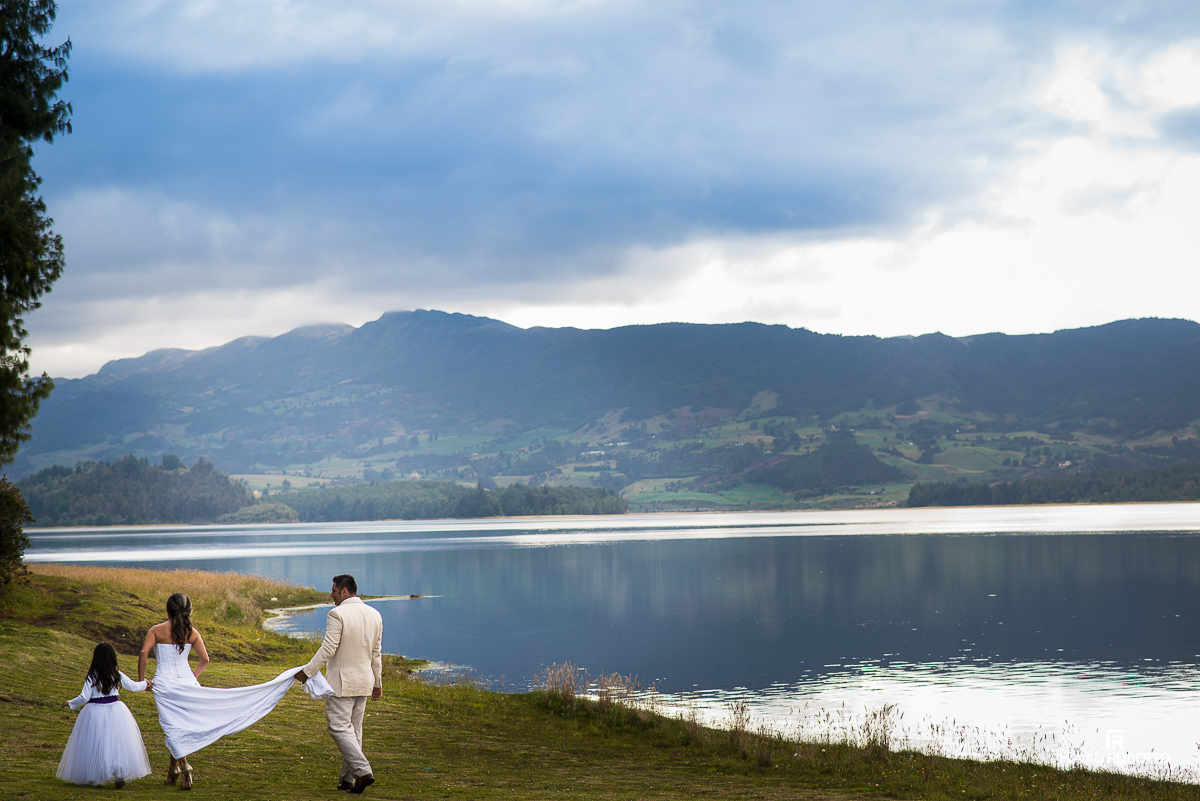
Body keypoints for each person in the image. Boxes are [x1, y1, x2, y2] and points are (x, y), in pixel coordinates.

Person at [139, 592, 333, 790]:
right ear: (189, 611)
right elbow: (204, 660)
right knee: (180, 724)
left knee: (173, 725)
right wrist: (193, 677)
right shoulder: (192, 632)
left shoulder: (156, 631)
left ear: (167, 609)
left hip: (164, 684)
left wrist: (141, 680)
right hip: (187, 683)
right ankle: (173, 772)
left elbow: (144, 652)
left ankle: (184, 765)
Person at [295, 574, 383, 794]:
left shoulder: (337, 614)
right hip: (365, 680)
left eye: (334, 590)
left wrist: (307, 672)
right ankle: (347, 780)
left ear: (345, 591)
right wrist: (377, 682)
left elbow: (328, 649)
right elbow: (376, 653)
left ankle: (363, 771)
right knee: (354, 731)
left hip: (342, 683)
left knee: (338, 727)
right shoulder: (375, 614)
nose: (331, 595)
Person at [58, 642, 154, 788]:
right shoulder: (117, 675)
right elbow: (134, 687)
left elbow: (84, 697)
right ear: (113, 658)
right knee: (116, 743)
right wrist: (145, 683)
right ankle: (118, 773)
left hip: (95, 711)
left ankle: (94, 775)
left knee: (95, 742)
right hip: (116, 710)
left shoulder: (92, 676)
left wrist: (70, 703)